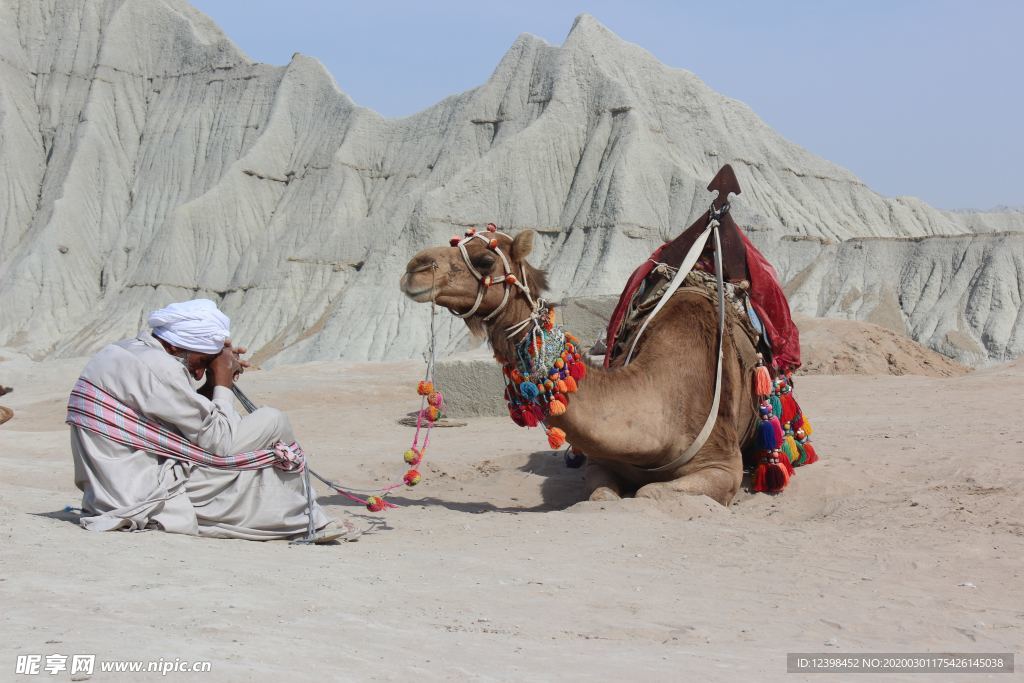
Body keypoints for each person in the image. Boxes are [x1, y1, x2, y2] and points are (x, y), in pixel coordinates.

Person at [67, 299, 346, 542]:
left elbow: (180, 418)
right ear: (177, 347)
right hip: (142, 493)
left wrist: (214, 378)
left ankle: (297, 511)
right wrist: (222, 381)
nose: (200, 371)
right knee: (272, 421)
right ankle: (306, 516)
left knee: (245, 434)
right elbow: (220, 442)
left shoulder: (125, 351)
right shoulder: (162, 369)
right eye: (202, 361)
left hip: (110, 490)